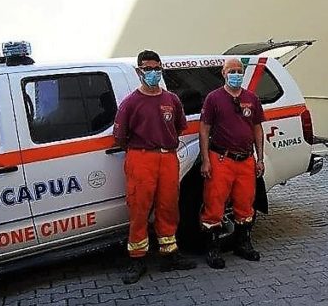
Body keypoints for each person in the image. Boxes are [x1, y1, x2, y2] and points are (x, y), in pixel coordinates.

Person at [113, 50, 196, 284]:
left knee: (168, 207)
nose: (152, 73)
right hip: (141, 159)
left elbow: (179, 127)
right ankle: (137, 258)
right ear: (139, 71)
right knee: (139, 209)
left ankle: (169, 254)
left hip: (168, 158)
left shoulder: (171, 100)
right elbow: (119, 137)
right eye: (147, 69)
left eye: (156, 68)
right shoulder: (131, 103)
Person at [199, 58, 266, 269]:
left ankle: (243, 244)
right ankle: (213, 249)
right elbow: (204, 129)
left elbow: (257, 128)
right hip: (221, 159)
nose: (236, 74)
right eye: (232, 71)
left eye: (239, 71)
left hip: (245, 160)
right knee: (214, 204)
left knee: (246, 204)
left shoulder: (251, 98)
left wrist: (260, 158)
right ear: (223, 73)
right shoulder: (214, 98)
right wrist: (205, 160)